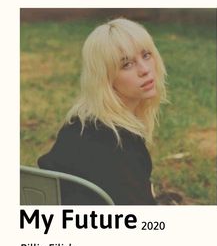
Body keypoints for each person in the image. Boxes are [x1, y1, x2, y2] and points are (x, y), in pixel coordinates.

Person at [38, 18, 167, 205]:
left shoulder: (76, 124)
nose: (145, 70)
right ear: (104, 78)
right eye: (126, 64)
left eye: (146, 55)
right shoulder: (121, 145)